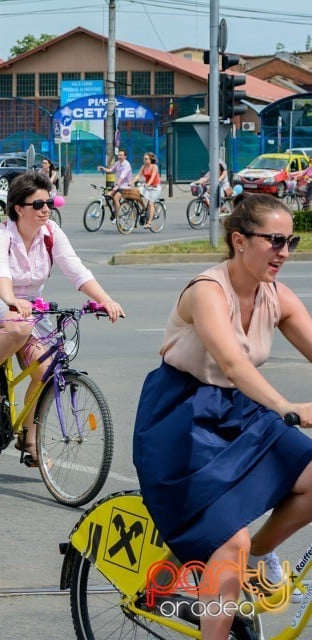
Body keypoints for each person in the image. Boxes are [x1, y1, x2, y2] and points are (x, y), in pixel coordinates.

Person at [132, 193, 312, 640]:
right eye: (274, 241)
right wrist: (286, 406)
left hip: (240, 412)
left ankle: (252, 558)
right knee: (230, 541)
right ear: (239, 241)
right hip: (182, 419)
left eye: (290, 241)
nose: (284, 252)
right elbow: (233, 364)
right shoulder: (207, 292)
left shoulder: (277, 296)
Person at [0, 172, 124, 466]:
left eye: (49, 202)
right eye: (38, 204)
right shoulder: (1, 233)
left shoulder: (51, 232)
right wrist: (11, 299)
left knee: (47, 371)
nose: (46, 208)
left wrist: (105, 300)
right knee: (19, 326)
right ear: (18, 208)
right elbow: (0, 272)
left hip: (31, 307)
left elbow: (76, 269)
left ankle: (29, 437)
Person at [97, 149, 133, 216]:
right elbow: (111, 170)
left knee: (116, 198)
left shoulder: (127, 165)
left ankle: (117, 216)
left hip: (126, 186)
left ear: (125, 156)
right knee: (108, 195)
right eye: (118, 155)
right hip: (119, 186)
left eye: (121, 155)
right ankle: (116, 209)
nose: (119, 156)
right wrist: (103, 168)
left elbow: (122, 177)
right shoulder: (117, 163)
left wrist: (116, 185)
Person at [132, 152, 162, 229]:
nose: (144, 160)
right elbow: (138, 176)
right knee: (136, 193)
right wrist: (130, 182)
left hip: (155, 188)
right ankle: (143, 207)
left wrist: (147, 184)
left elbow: (152, 177)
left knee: (151, 203)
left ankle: (149, 223)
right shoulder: (143, 167)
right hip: (147, 186)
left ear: (150, 159)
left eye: (146, 159)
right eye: (144, 159)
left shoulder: (154, 167)